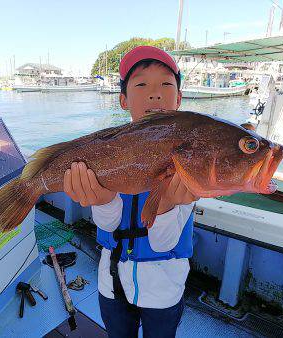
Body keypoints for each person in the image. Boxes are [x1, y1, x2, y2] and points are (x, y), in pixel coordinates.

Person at [63, 46, 197, 338]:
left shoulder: (188, 157)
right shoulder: (109, 150)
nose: (154, 93)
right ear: (123, 99)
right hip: (111, 280)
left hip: (164, 289)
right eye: (141, 84)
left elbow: (163, 243)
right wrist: (103, 198)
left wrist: (165, 204)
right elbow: (109, 224)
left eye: (166, 84)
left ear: (179, 97)